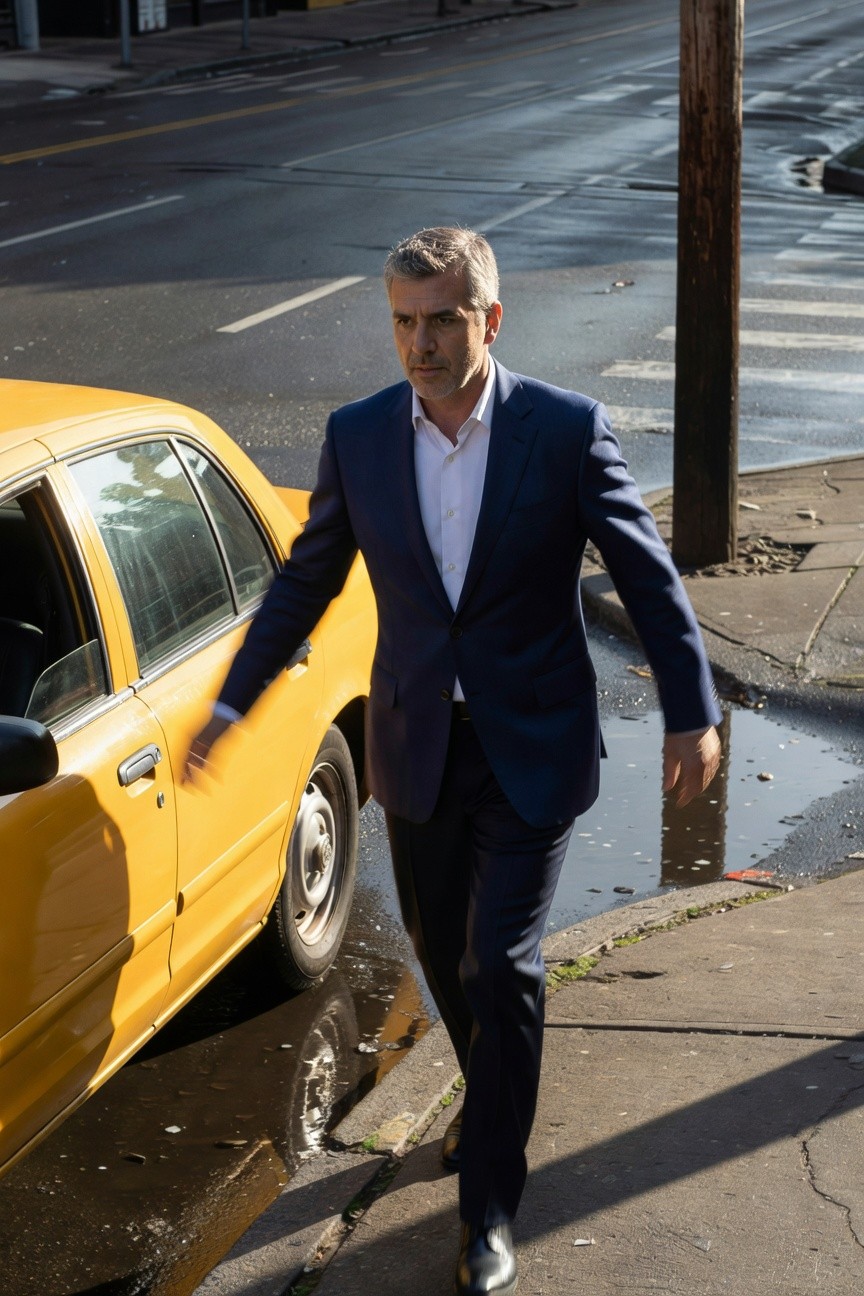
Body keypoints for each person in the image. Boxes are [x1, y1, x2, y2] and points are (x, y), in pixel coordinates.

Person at [185, 226, 722, 1296]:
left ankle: (489, 1213)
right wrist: (235, 699)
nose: (420, 344)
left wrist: (690, 711)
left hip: (532, 742)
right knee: (443, 952)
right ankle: (495, 1086)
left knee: (501, 962)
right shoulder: (362, 436)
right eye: (403, 321)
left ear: (490, 319)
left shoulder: (565, 432)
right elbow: (307, 579)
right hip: (418, 748)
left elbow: (646, 575)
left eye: (441, 320)